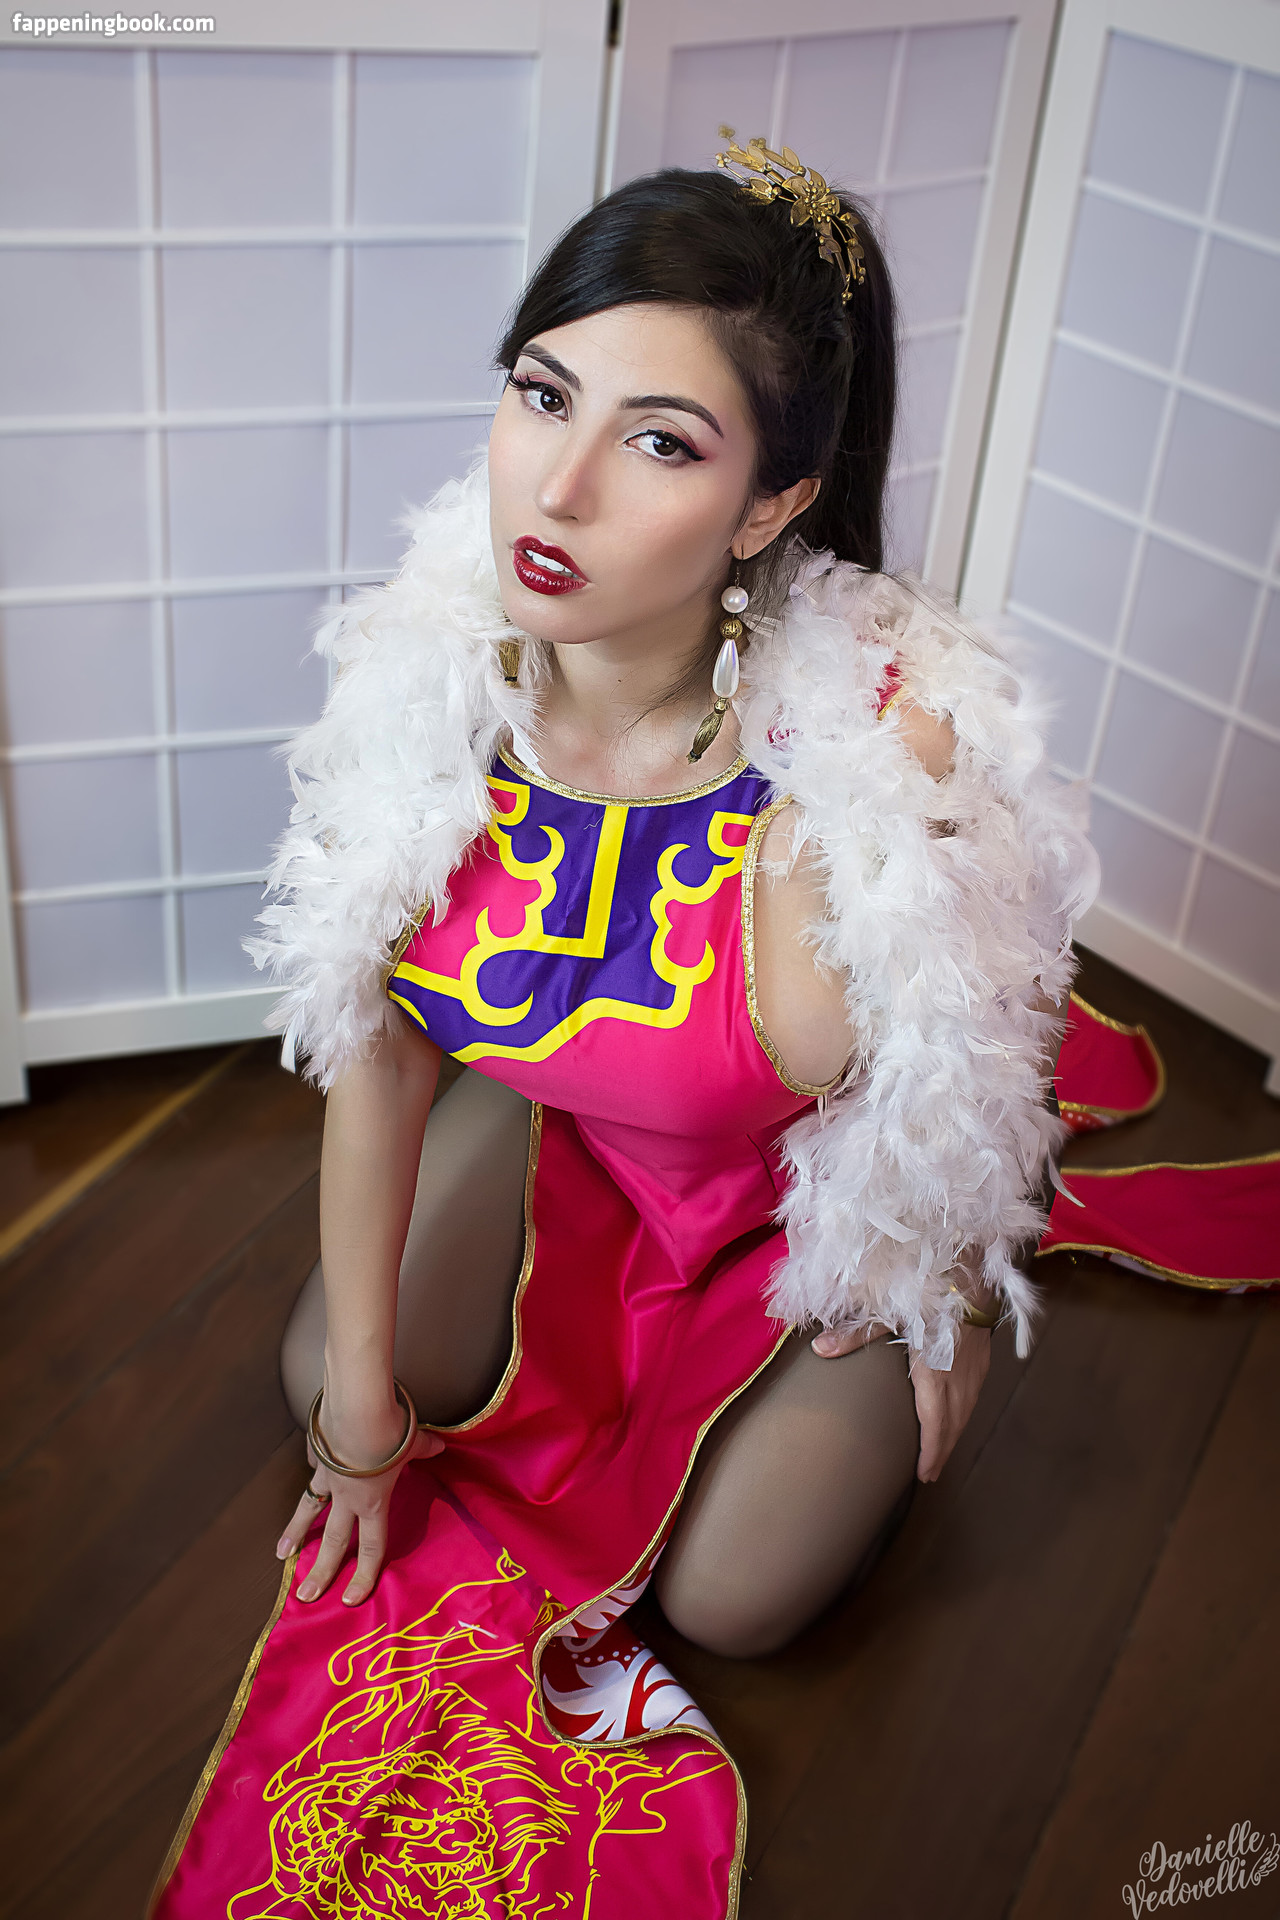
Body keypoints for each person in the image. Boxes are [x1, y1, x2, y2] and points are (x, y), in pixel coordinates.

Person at [149, 151, 1094, 1919]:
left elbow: (981, 1053)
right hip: (579, 1137)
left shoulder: (877, 758)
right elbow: (381, 1049)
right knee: (328, 1379)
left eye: (659, 441)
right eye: (541, 394)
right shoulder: (432, 682)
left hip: (800, 1215)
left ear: (767, 504)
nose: (558, 487)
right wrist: (360, 1407)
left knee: (737, 1601)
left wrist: (955, 1283)